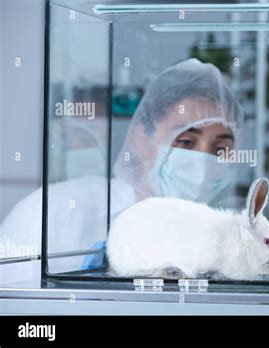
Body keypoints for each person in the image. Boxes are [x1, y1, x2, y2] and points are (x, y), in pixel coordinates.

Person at [0, 58, 243, 282]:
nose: (201, 163)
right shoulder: (53, 212)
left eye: (220, 148)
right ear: (141, 137)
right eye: (185, 142)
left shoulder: (226, 243)